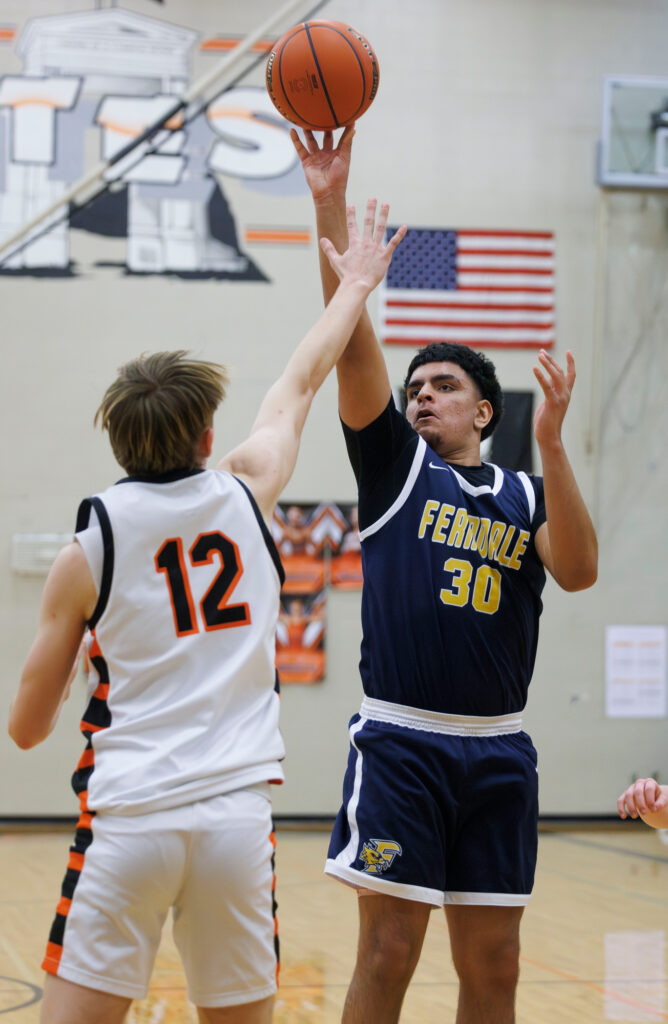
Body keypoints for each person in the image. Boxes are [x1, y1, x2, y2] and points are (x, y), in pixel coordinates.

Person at [7, 198, 405, 1024]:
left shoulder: (87, 553)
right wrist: (355, 285)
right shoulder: (249, 489)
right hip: (233, 820)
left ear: (118, 441)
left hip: (129, 821)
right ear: (206, 434)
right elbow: (301, 379)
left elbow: (26, 728)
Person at [292, 125, 598, 1024]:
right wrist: (328, 205)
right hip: (403, 743)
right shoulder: (395, 468)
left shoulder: (525, 491)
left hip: (499, 747)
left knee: (495, 967)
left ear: (484, 410)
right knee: (388, 952)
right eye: (415, 384)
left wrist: (551, 449)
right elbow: (353, 353)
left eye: (443, 386)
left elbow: (577, 573)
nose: (421, 393)